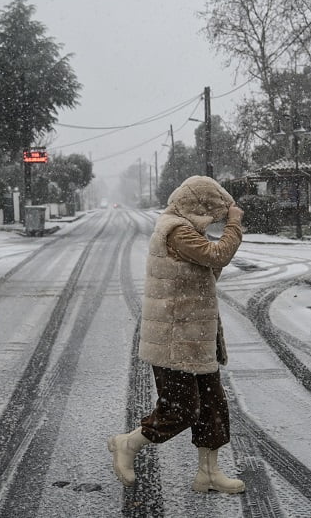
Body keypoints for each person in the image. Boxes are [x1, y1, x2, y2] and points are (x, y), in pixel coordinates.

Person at [108, 175, 245, 494]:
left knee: (212, 406)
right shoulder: (176, 230)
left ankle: (208, 474)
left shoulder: (187, 230)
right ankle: (128, 443)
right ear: (199, 206)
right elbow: (217, 255)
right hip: (174, 340)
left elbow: (207, 271)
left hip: (197, 337)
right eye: (212, 212)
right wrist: (234, 225)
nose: (215, 218)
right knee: (181, 409)